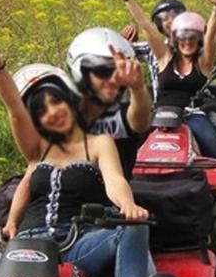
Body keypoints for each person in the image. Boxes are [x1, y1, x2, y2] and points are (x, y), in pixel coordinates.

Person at [0, 21, 167, 277]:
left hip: (77, 241)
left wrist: (127, 207)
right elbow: (15, 117)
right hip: (27, 247)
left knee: (135, 234)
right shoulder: (36, 149)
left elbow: (115, 180)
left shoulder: (99, 139)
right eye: (39, 109)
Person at [113, 0, 216, 161]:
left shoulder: (203, 61)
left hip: (191, 115)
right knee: (126, 151)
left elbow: (210, 35)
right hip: (158, 115)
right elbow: (145, 25)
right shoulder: (164, 56)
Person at [65, 27, 152, 178]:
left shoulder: (118, 117)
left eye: (118, 73)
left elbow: (139, 120)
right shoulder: (60, 111)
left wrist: (138, 88)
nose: (112, 80)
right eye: (102, 71)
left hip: (103, 199)